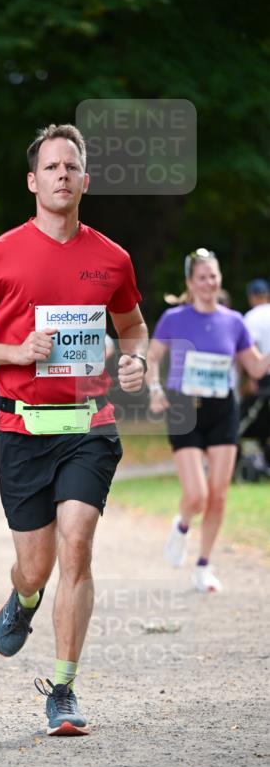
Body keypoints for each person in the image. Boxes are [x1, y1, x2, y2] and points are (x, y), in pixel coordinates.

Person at [0, 124, 147, 736]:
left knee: (78, 543)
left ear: (85, 181)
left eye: (72, 167)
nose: (62, 175)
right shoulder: (1, 254)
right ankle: (25, 598)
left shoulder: (112, 258)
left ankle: (62, 687)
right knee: (34, 567)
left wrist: (135, 359)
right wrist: (15, 351)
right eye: (51, 167)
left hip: (90, 424)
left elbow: (133, 327)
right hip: (22, 429)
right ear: (33, 182)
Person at [147, 252, 270, 591]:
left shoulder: (234, 322)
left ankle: (203, 566)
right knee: (197, 494)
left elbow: (256, 368)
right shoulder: (174, 319)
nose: (209, 283)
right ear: (190, 283)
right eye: (202, 277)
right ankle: (183, 525)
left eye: (213, 276)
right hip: (184, 409)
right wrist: (155, 389)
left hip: (222, 410)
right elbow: (152, 357)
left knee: (218, 495)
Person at [239, 279, 270, 471]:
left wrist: (251, 378)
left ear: (252, 297)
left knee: (260, 420)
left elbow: (250, 350)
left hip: (264, 377)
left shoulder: (251, 317)